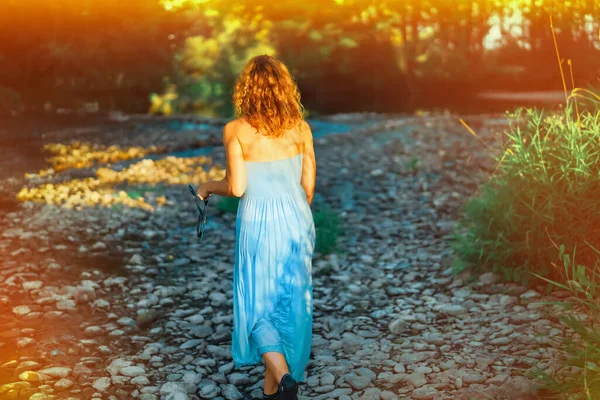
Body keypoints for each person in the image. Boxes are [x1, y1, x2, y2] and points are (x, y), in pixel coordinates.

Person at [196, 54, 317, 400]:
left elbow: (236, 188)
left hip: (258, 222)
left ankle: (283, 377)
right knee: (290, 305)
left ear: (246, 90)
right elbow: (308, 189)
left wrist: (205, 187)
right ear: (284, 88)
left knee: (257, 308)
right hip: (296, 219)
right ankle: (277, 390)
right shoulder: (302, 129)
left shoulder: (235, 130)